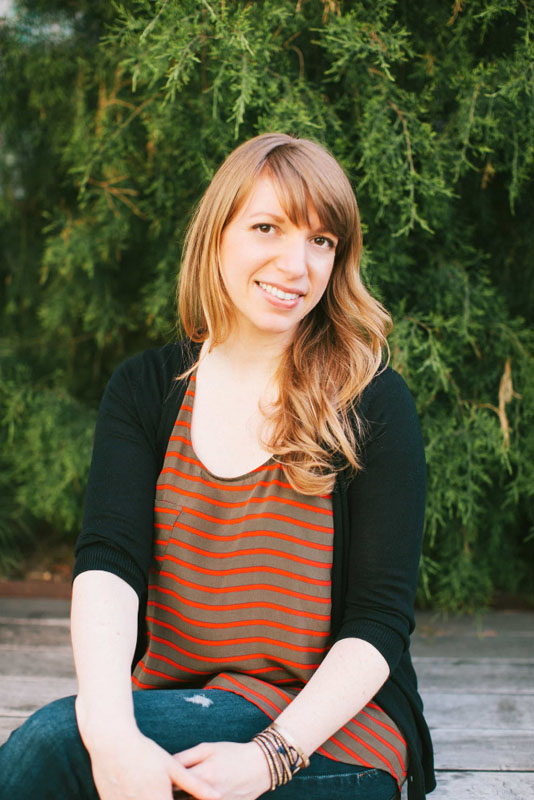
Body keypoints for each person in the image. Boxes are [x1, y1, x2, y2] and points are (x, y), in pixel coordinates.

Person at [0, 133, 435, 800]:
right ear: (218, 235)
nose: (297, 264)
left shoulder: (371, 402)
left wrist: (268, 759)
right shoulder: (148, 389)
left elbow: (378, 623)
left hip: (329, 733)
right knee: (74, 742)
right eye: (269, 228)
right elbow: (108, 562)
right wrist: (112, 735)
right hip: (179, 708)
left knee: (59, 747)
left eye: (322, 241)